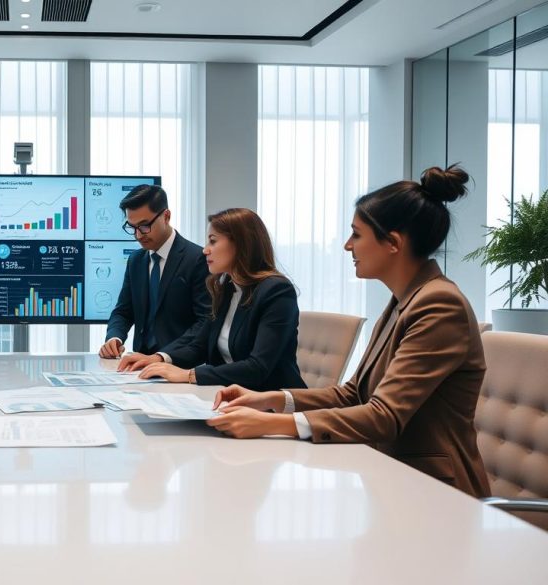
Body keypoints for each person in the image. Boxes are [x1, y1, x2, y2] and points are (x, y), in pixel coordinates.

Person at [208, 166, 491, 498]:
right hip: (388, 476)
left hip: (436, 493)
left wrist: (271, 424)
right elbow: (354, 394)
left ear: (393, 243)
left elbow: (384, 416)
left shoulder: (439, 304)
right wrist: (272, 400)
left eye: (356, 234)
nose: (346, 246)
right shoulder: (405, 300)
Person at [123, 208, 305, 390]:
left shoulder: (277, 292)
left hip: (273, 403)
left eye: (213, 241)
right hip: (230, 396)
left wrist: (189, 375)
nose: (205, 250)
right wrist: (157, 359)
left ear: (241, 244)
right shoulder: (226, 289)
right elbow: (199, 346)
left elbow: (257, 367)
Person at [98, 184, 209, 359]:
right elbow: (123, 311)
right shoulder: (135, 260)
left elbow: (205, 322)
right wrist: (115, 337)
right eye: (132, 227)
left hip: (179, 365)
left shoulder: (197, 259)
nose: (138, 235)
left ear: (166, 216)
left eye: (144, 225)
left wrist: (162, 356)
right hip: (139, 365)